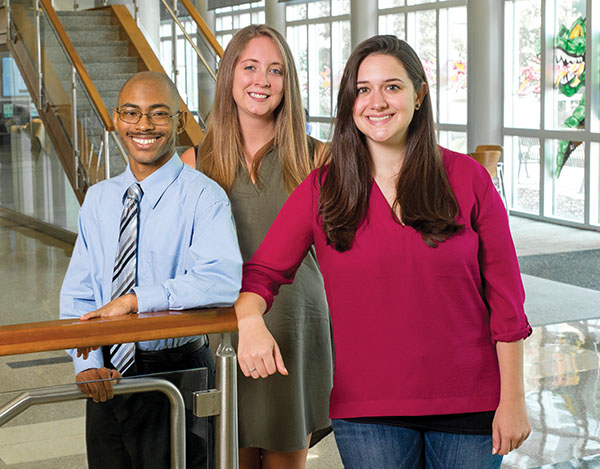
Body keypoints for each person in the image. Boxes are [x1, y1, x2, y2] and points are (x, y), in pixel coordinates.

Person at [234, 35, 532, 469]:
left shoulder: (467, 178)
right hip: (368, 411)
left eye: (392, 87)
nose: (377, 102)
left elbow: (507, 301)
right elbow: (262, 271)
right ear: (349, 102)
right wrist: (249, 320)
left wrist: (514, 400)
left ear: (419, 94)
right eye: (363, 89)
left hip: (470, 401)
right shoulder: (324, 189)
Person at [60, 71, 242, 469]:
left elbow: (221, 280)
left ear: (178, 121)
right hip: (107, 373)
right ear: (115, 119)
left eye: (158, 114)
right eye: (132, 113)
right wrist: (87, 365)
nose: (143, 125)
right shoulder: (99, 199)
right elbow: (79, 293)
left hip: (177, 371)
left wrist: (136, 301)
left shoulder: (204, 197)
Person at [180, 24, 333, 469]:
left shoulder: (317, 157)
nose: (262, 81)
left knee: (287, 457)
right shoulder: (194, 162)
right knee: (231, 453)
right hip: (223, 328)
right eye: (250, 67)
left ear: (289, 84)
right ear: (229, 75)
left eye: (276, 70)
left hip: (295, 327)